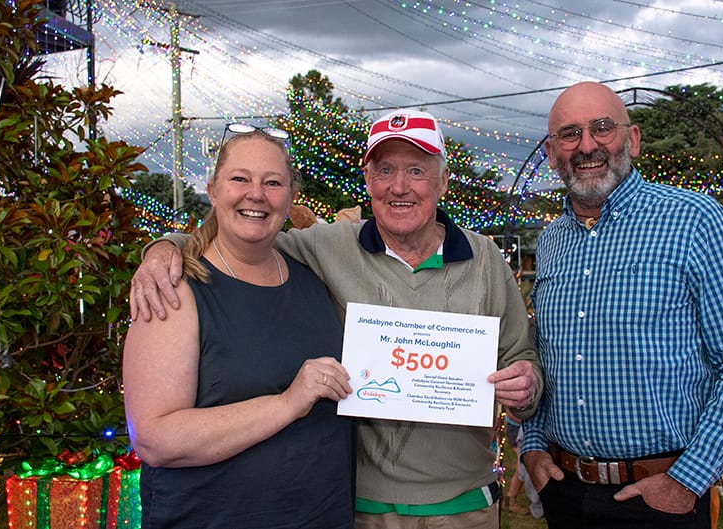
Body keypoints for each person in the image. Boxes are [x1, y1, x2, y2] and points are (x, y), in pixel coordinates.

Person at [130, 109, 544, 529]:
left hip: (462, 504)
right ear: (368, 180)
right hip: (358, 507)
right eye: (385, 170)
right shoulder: (327, 246)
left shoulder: (485, 259)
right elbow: (242, 238)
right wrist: (164, 249)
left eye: (417, 171)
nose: (399, 186)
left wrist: (526, 386)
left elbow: (521, 358)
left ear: (443, 181)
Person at [521, 81, 723, 528]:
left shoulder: (694, 220)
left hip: (660, 498)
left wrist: (687, 480)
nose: (587, 146)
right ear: (551, 152)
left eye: (603, 128)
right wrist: (533, 446)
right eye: (570, 134)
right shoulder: (551, 242)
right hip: (565, 491)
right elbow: (545, 356)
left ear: (633, 139)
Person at [122, 128, 355, 529]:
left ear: (291, 198)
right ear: (213, 190)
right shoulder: (173, 288)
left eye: (273, 183)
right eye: (240, 178)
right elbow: (155, 439)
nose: (256, 194)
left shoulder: (313, 279)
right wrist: (286, 403)